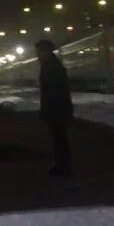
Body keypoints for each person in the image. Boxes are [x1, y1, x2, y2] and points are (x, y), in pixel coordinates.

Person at [35, 39, 74, 176]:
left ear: (44, 51)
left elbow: (50, 89)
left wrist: (46, 109)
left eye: (38, 51)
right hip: (59, 106)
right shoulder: (53, 63)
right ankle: (62, 165)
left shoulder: (49, 65)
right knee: (60, 137)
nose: (37, 54)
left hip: (56, 107)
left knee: (59, 138)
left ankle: (62, 167)